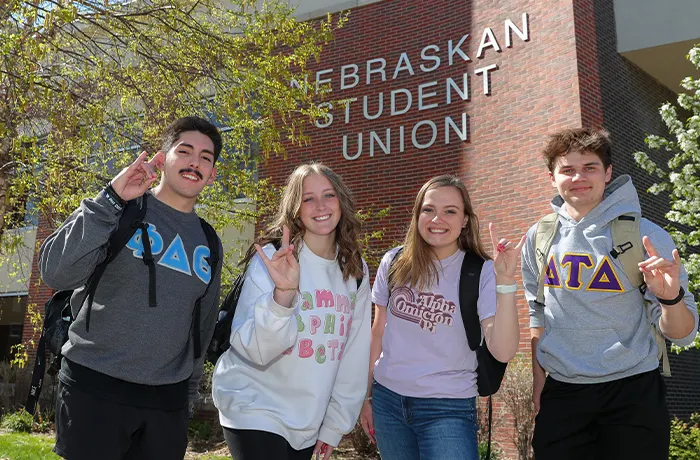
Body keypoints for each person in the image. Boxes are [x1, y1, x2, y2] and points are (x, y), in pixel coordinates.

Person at [39, 116, 224, 460]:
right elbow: (55, 272)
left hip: (165, 404)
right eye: (184, 151)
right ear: (162, 159)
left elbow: (201, 327)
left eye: (205, 157)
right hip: (95, 386)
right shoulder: (120, 208)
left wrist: (187, 397)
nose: (194, 162)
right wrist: (110, 198)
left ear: (211, 174)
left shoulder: (210, 243)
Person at [521, 128, 699, 460]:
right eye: (567, 169)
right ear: (552, 177)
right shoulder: (538, 237)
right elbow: (537, 310)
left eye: (589, 167)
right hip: (562, 394)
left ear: (608, 173)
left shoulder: (646, 236)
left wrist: (670, 298)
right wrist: (538, 378)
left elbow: (684, 334)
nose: (578, 177)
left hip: (632, 392)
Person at [211, 163, 371, 460]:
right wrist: (282, 297)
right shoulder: (274, 258)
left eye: (328, 195)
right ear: (295, 209)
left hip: (306, 420)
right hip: (253, 403)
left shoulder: (355, 271)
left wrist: (335, 424)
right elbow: (255, 349)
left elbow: (354, 353)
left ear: (342, 201)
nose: (320, 206)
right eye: (308, 198)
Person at [359, 175, 524, 460]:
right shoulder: (393, 262)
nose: (437, 219)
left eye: (450, 211)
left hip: (447, 406)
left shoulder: (480, 270)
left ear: (464, 221)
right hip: (388, 401)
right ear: (417, 215)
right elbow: (377, 332)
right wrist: (365, 396)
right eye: (429, 209)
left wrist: (506, 280)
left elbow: (503, 349)